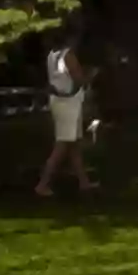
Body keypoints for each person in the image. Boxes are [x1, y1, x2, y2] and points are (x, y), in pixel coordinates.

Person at [35, 22, 97, 197]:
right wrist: (90, 76)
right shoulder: (67, 55)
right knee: (62, 145)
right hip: (69, 104)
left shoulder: (51, 56)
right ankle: (43, 184)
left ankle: (84, 183)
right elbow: (78, 79)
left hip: (58, 101)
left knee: (73, 145)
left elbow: (56, 81)